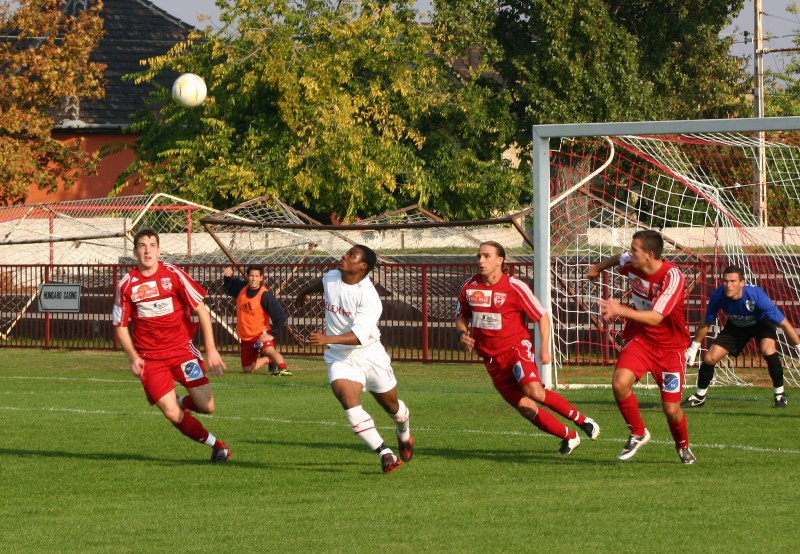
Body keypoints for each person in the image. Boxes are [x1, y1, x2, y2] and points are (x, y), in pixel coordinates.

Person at [456, 241, 601, 456]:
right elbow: (461, 316)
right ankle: (569, 436)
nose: (480, 260)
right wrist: (462, 334)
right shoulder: (469, 287)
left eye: (486, 256)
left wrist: (544, 347)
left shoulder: (514, 286)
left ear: (500, 260)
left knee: (533, 390)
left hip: (517, 349)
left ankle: (584, 421)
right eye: (479, 256)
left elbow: (542, 316)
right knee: (525, 408)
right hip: (492, 360)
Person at [113, 228, 231, 462]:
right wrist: (133, 357)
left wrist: (211, 349)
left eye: (152, 245)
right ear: (136, 251)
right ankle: (218, 446)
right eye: (143, 246)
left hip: (182, 352)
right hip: (151, 359)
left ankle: (179, 400)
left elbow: (201, 310)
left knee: (207, 406)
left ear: (158, 249)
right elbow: (120, 325)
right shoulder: (127, 285)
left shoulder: (174, 274)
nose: (147, 250)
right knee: (171, 413)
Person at [294, 245, 413, 474]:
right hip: (340, 357)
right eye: (347, 253)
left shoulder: (369, 297)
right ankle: (385, 453)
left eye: (351, 255)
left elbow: (358, 337)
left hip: (369, 355)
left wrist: (326, 337)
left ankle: (404, 430)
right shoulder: (332, 276)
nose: (344, 256)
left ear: (362, 266)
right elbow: (324, 284)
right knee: (347, 399)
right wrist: (304, 292)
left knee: (393, 408)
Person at [587, 229, 696, 464]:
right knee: (619, 383)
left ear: (649, 255)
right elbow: (619, 257)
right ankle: (638, 432)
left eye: (635, 249)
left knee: (671, 409)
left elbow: (657, 317)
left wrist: (619, 309)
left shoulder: (672, 277)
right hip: (643, 340)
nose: (630, 252)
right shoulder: (632, 263)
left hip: (670, 350)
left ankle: (683, 446)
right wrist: (597, 268)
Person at [682, 265, 800, 409]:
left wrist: (798, 347)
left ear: (742, 283)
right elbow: (707, 321)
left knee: (767, 350)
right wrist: (694, 347)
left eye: (733, 281)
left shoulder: (756, 295)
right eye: (725, 281)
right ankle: (699, 397)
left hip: (760, 322)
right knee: (709, 358)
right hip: (736, 325)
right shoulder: (718, 295)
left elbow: (784, 323)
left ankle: (780, 396)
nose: (728, 285)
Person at [223, 265, 291, 376]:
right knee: (248, 369)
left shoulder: (265, 295)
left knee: (268, 350)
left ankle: (283, 368)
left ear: (261, 278)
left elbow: (281, 316)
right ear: (247, 276)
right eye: (251, 276)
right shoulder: (241, 288)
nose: (253, 279)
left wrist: (272, 334)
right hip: (246, 337)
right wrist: (227, 277)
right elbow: (228, 287)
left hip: (261, 333)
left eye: (256, 276)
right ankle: (268, 360)